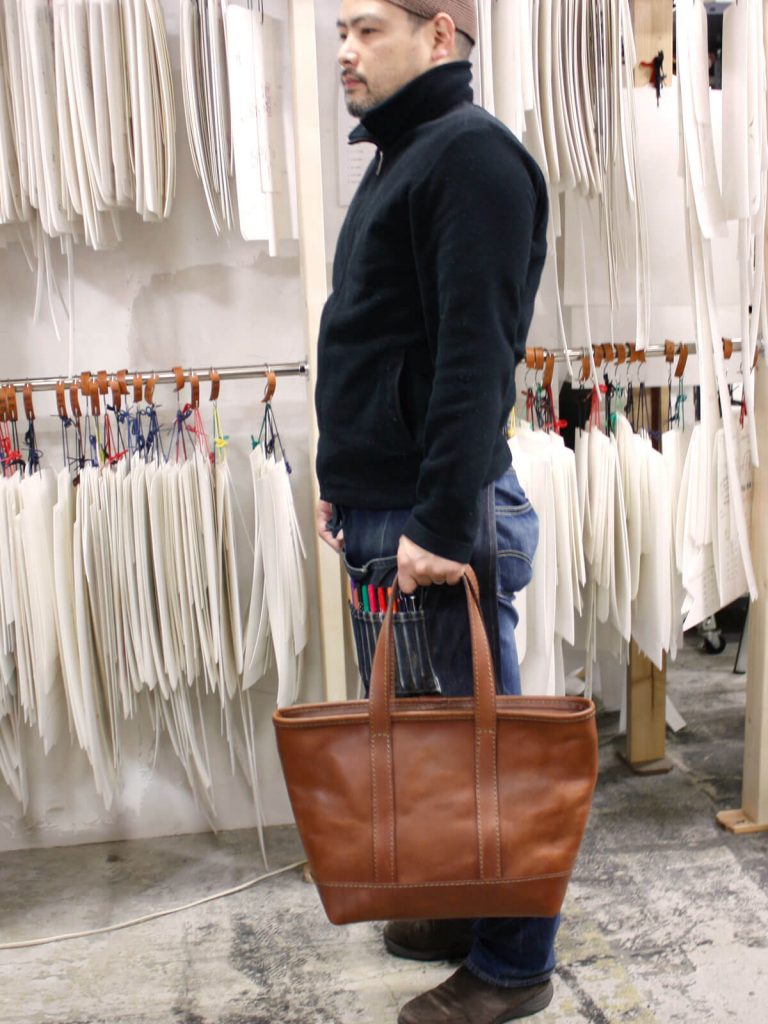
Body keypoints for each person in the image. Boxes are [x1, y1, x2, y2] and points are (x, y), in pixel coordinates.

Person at [314, 2, 555, 1021]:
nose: (345, 50)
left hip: (439, 517)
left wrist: (444, 525)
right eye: (340, 30)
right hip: (394, 503)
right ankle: (466, 908)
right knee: (439, 745)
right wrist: (342, 471)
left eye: (369, 29)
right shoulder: (407, 154)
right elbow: (376, 335)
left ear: (441, 34)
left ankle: (515, 964)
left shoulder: (472, 158)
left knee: (484, 745)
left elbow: (475, 356)